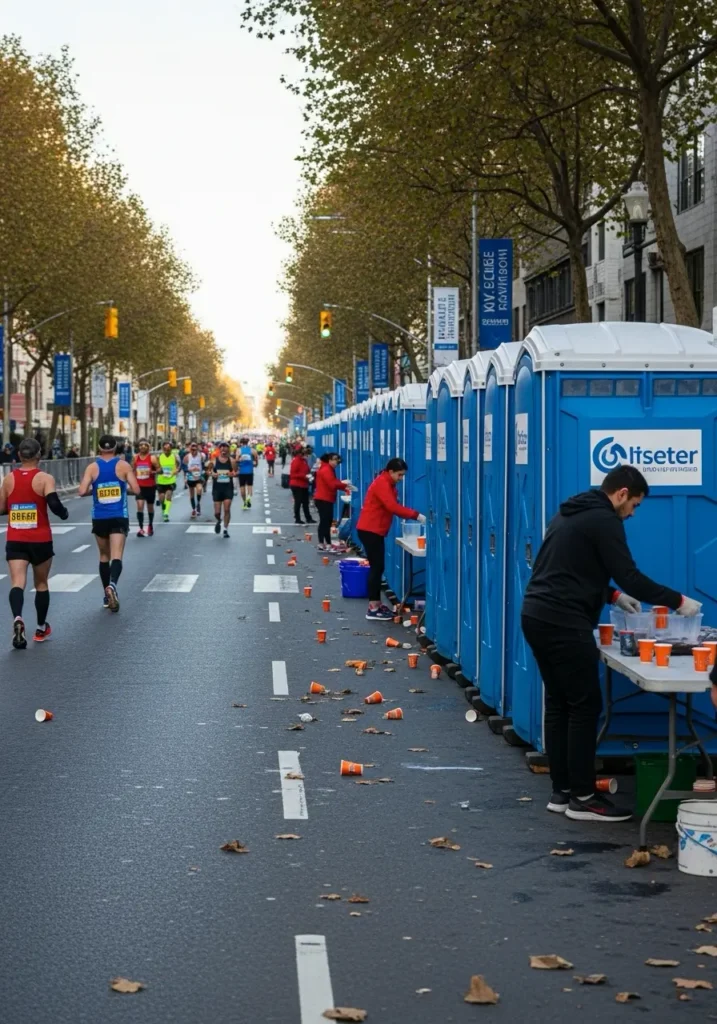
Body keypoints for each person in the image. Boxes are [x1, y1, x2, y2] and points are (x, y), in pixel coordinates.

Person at [521, 464, 702, 824]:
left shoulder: (570, 512)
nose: (632, 513)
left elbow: (569, 568)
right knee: (586, 705)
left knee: (560, 704)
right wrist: (679, 602)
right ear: (621, 494)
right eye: (633, 505)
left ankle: (563, 791)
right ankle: (584, 798)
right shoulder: (605, 521)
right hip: (563, 621)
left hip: (537, 615)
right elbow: (631, 574)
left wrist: (612, 596)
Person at [0, 438, 69, 647]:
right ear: (39, 455)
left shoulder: (8, 479)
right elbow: (54, 504)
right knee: (41, 584)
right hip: (40, 539)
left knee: (17, 583)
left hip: (16, 539)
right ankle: (40, 628)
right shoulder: (45, 478)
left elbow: (1, 509)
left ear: (19, 455)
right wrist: (64, 513)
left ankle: (18, 618)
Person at [357, 457, 424, 620]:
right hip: (370, 530)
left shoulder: (387, 482)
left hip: (373, 530)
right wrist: (417, 515)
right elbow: (392, 506)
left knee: (378, 567)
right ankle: (373, 608)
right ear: (391, 471)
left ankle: (376, 605)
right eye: (399, 475)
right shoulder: (382, 483)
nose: (401, 479)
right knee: (376, 568)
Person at [79, 434, 140, 611]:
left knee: (103, 556)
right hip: (118, 515)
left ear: (99, 448)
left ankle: (106, 596)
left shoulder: (92, 467)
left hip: (99, 517)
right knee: (116, 555)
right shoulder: (123, 465)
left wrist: (96, 490)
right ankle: (112, 585)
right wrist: (121, 489)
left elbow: (82, 491)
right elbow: (136, 489)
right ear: (115, 448)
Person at [315, 452, 351, 551]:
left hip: (324, 498)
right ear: (329, 460)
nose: (336, 463)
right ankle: (321, 543)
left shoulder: (326, 468)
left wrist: (343, 485)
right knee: (325, 521)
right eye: (335, 460)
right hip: (324, 499)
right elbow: (332, 484)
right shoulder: (327, 469)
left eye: (337, 461)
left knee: (326, 521)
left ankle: (327, 543)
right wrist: (344, 485)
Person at [207, 442, 235, 537]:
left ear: (228, 450)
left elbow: (236, 471)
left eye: (225, 448)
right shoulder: (214, 461)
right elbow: (208, 471)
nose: (223, 450)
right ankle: (219, 520)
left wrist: (233, 474)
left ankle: (225, 530)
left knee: (227, 509)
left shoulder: (231, 461)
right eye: (222, 448)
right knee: (217, 513)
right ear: (219, 450)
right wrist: (212, 474)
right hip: (217, 489)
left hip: (228, 488)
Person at [133, 439, 159, 537]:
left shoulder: (152, 458)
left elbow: (159, 469)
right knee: (140, 506)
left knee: (150, 507)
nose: (143, 447)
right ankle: (141, 528)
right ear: (138, 447)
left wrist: (153, 472)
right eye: (141, 445)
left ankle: (150, 525)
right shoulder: (135, 458)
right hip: (139, 486)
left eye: (145, 445)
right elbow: (132, 470)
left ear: (148, 447)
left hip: (150, 486)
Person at [289, 446, 315, 525]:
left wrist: (309, 475)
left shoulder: (303, 461)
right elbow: (293, 474)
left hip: (304, 484)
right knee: (298, 502)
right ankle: (297, 518)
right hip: (297, 484)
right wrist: (304, 476)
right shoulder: (296, 461)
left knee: (305, 502)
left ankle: (308, 518)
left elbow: (306, 470)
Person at [156, 441, 180, 523]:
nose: (166, 450)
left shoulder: (175, 456)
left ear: (171, 449)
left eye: (168, 448)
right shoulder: (159, 456)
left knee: (168, 496)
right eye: (165, 448)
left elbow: (178, 465)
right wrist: (158, 470)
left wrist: (176, 470)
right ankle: (163, 509)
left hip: (171, 480)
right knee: (162, 498)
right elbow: (156, 467)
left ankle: (166, 513)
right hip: (161, 480)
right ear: (163, 448)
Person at [183, 441, 206, 518]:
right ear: (190, 449)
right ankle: (194, 509)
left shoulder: (201, 456)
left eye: (195, 449)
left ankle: (198, 504)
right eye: (192, 450)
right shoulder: (187, 457)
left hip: (198, 477)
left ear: (197, 449)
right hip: (190, 477)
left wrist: (203, 470)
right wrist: (189, 470)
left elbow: (205, 463)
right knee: (192, 494)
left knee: (199, 489)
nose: (193, 451)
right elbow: (184, 467)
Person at [237, 437, 258, 509]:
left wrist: (240, 461)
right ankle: (249, 497)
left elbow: (237, 460)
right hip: (250, 471)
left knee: (242, 489)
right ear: (248, 442)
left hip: (241, 472)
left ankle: (245, 502)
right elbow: (256, 461)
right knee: (250, 486)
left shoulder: (239, 450)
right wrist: (254, 464)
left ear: (241, 443)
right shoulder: (253, 450)